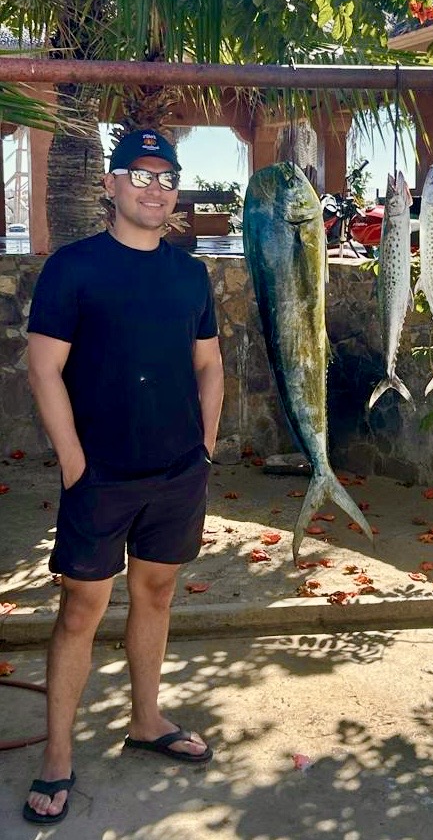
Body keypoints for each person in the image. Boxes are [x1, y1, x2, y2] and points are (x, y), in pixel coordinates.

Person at [23, 128, 225, 825]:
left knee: (156, 593)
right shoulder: (74, 267)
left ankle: (146, 720)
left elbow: (209, 363)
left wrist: (205, 445)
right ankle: (57, 754)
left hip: (177, 471)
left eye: (166, 177)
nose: (154, 188)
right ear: (110, 185)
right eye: (139, 175)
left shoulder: (189, 274)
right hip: (100, 474)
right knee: (81, 608)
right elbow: (43, 367)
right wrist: (74, 463)